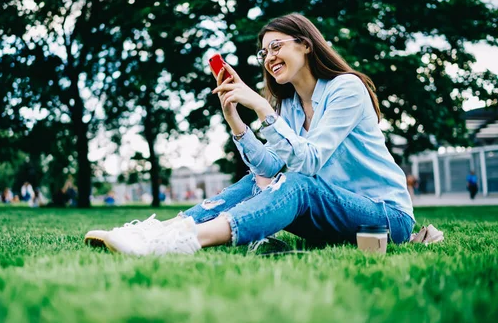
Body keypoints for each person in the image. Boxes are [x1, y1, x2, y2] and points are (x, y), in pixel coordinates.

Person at [84, 13, 415, 256]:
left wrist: (261, 106)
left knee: (300, 184)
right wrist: (235, 121)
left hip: (384, 216)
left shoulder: (346, 88)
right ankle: (163, 230)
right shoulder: (292, 105)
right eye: (264, 53)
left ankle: (186, 241)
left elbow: (310, 162)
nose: (269, 58)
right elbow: (269, 168)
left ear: (306, 45)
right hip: (331, 213)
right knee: (255, 181)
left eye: (276, 47)